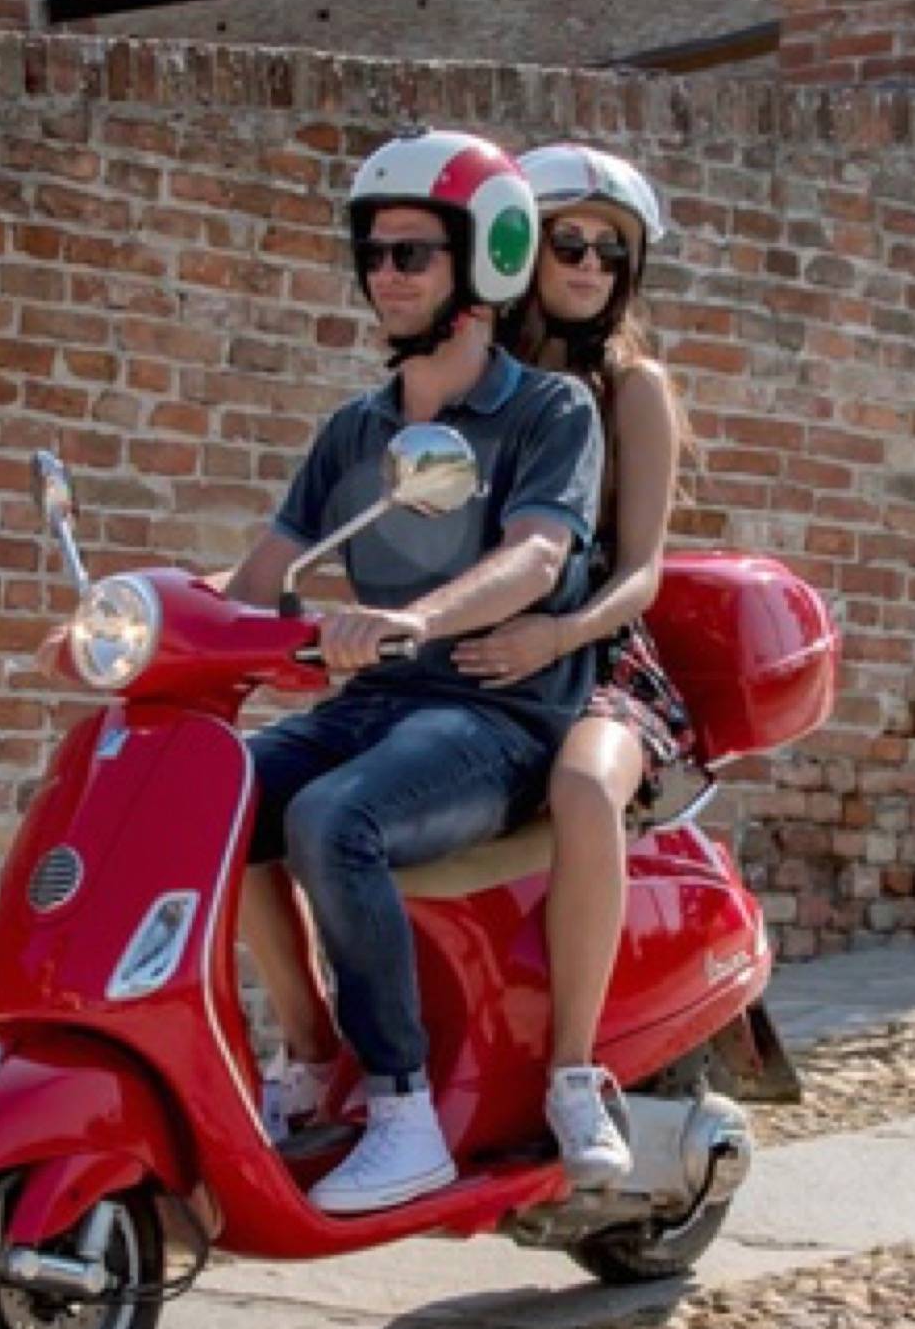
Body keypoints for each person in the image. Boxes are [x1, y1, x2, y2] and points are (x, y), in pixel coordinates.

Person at [224, 131, 606, 1215]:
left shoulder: (548, 411)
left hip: (495, 711)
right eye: (375, 253)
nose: (384, 274)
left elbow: (536, 553)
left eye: (411, 254)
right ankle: (306, 1052)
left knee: (333, 819)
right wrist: (135, 613)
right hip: (385, 700)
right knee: (218, 791)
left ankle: (404, 1110)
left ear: (480, 265)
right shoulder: (358, 426)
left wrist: (411, 617)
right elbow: (266, 571)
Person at [451, 144, 697, 1196]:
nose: (592, 262)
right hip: (473, 650)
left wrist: (554, 638)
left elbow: (642, 571)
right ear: (517, 251)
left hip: (594, 652)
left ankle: (572, 1072)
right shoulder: (469, 376)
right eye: (570, 240)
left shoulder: (630, 387)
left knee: (583, 783)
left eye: (612, 248)